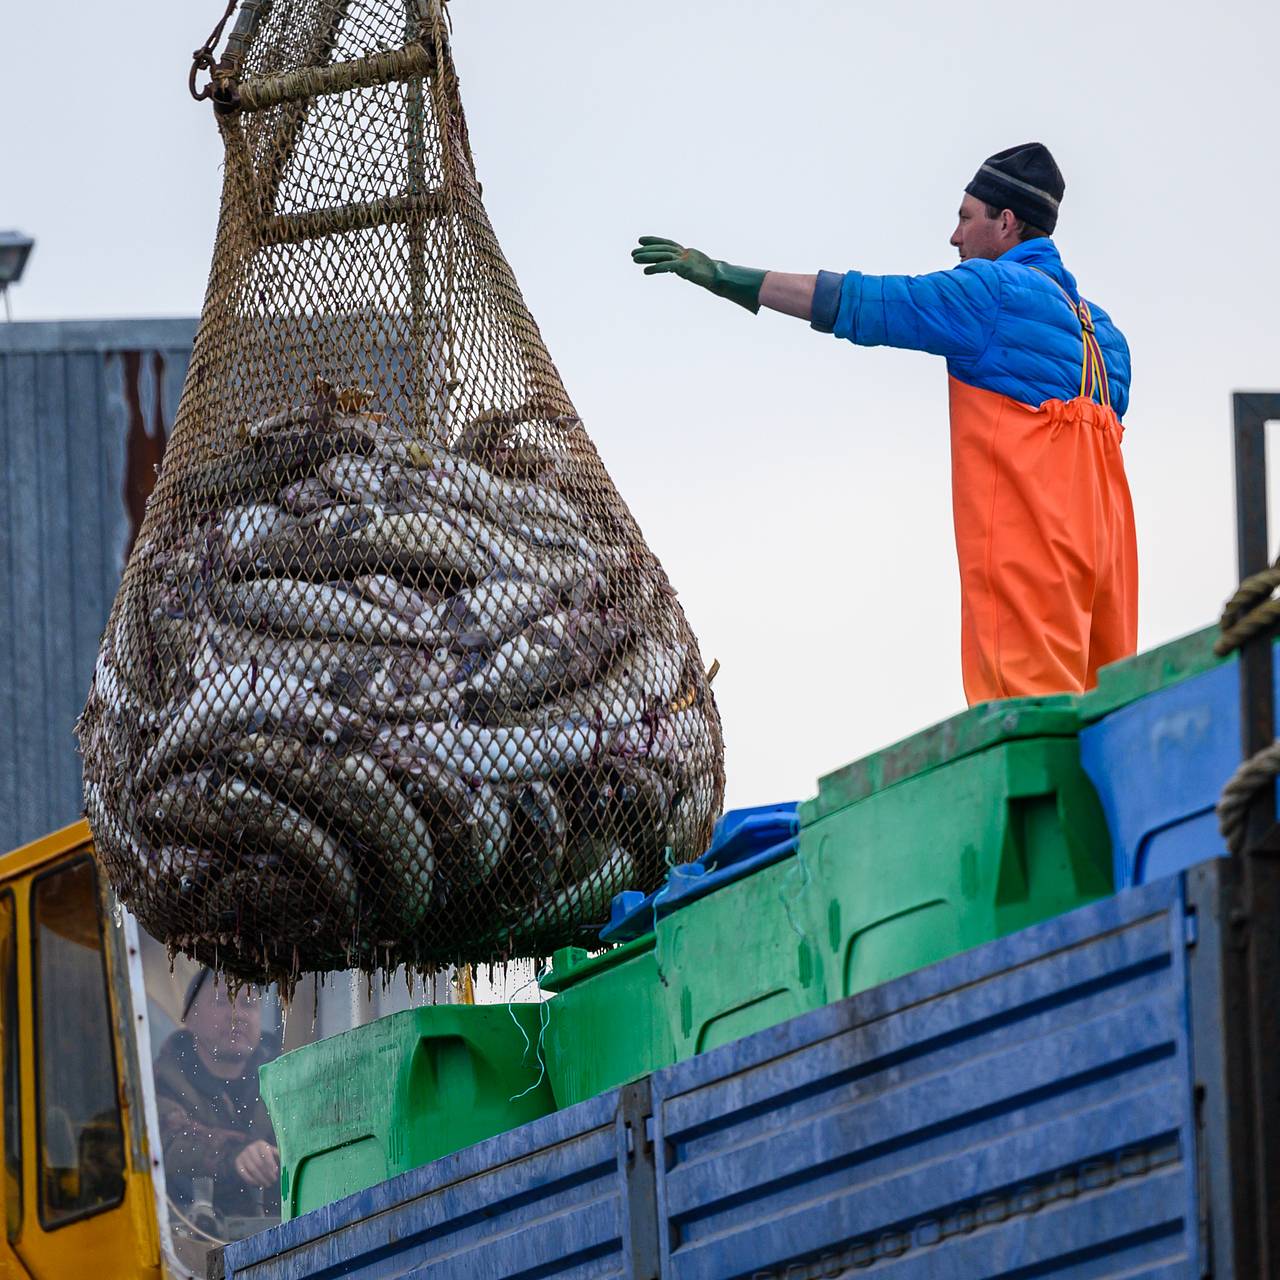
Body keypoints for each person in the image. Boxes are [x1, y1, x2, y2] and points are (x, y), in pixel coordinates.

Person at [632, 143, 1137, 705]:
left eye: (965, 218)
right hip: (1105, 567)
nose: (954, 238)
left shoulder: (990, 295)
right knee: (1108, 720)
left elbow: (860, 302)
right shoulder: (1107, 337)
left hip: (1034, 558)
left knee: (1026, 725)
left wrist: (725, 276)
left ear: (1007, 222)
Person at [153, 968, 281, 1222]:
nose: (238, 1015)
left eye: (249, 1004)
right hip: (192, 1246)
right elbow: (168, 1139)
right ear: (190, 1018)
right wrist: (235, 1154)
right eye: (222, 1001)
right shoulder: (160, 1083)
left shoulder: (284, 1078)